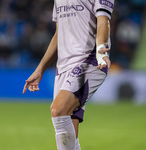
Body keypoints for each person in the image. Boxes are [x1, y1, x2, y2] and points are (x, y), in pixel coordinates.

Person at [23, 0, 115, 149]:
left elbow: (104, 20)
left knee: (58, 110)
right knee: (69, 136)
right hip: (64, 67)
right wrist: (40, 69)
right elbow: (59, 34)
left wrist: (100, 49)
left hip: (89, 60)